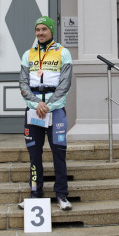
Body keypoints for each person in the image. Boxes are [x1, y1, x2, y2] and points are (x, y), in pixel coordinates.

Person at [18, 16, 73, 211]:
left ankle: (62, 195)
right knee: (34, 154)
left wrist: (47, 105)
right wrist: (36, 104)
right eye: (37, 29)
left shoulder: (63, 53)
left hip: (55, 110)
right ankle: (35, 193)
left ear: (51, 31)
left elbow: (65, 84)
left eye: (44, 29)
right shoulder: (28, 54)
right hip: (34, 111)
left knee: (59, 153)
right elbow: (23, 83)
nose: (40, 33)